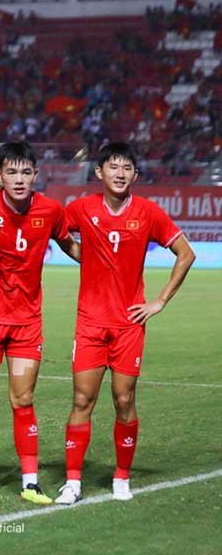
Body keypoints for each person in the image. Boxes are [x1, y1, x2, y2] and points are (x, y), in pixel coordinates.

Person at [54, 142, 195, 505]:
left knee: (123, 399)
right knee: (82, 398)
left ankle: (121, 477)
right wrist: (83, 256)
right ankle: (72, 482)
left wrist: (159, 301)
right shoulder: (82, 208)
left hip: (128, 324)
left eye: (126, 168)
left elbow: (186, 253)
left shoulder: (148, 212)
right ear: (99, 172)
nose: (120, 173)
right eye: (113, 167)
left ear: (135, 174)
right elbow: (56, 229)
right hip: (90, 323)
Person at [0, 141, 80, 507]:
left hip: (26, 324)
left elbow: (68, 244)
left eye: (25, 172)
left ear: (35, 175)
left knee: (23, 400)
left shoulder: (50, 210)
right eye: (11, 172)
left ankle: (31, 482)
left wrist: (103, 262)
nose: (19, 179)